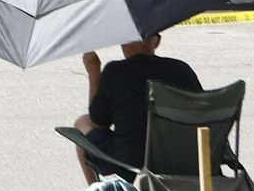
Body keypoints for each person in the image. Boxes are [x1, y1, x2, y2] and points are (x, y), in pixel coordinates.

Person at [72, 34, 203, 183]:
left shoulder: (115, 72)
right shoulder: (182, 70)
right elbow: (201, 114)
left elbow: (98, 122)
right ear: (157, 41)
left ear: (122, 43)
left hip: (132, 170)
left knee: (82, 122)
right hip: (189, 165)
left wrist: (94, 72)